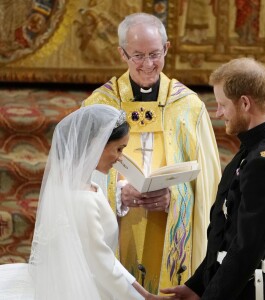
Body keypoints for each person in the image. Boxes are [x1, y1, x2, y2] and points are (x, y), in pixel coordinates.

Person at [82, 12, 221, 291]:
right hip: (119, 230)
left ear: (167, 48)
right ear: (122, 54)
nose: (148, 64)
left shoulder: (189, 108)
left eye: (155, 54)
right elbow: (77, 177)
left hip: (169, 234)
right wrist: (119, 194)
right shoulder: (99, 106)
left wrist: (174, 197)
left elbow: (208, 186)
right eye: (138, 56)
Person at [160, 57, 265, 299]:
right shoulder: (255, 147)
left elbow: (246, 251)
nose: (218, 112)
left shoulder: (264, 163)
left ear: (245, 103)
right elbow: (227, 236)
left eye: (222, 104)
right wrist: (197, 286)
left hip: (254, 290)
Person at [0, 104, 166, 299]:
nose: (121, 158)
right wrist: (141, 298)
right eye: (119, 149)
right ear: (97, 144)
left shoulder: (87, 186)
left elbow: (105, 258)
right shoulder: (83, 199)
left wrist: (144, 293)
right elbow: (102, 265)